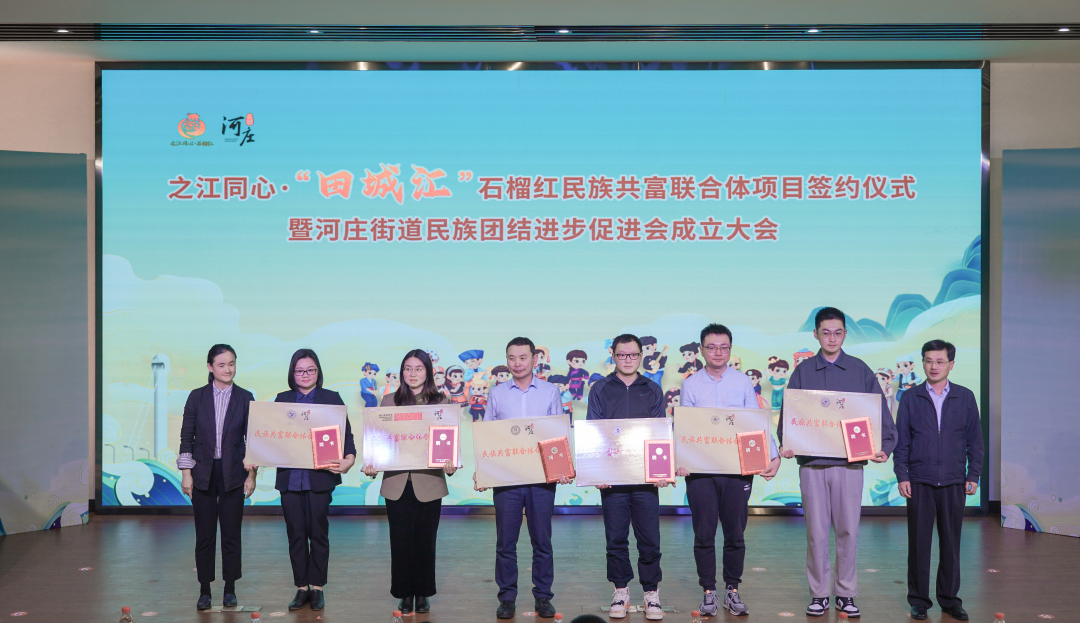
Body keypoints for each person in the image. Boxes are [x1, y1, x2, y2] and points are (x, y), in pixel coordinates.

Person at [777, 307, 897, 618]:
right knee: (816, 533)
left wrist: (885, 447)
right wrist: (787, 442)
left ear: (845, 334)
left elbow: (880, 414)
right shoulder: (803, 371)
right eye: (826, 332)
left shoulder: (860, 370)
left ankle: (846, 593)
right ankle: (819, 594)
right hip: (813, 465)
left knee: (848, 531)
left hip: (849, 466)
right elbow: (789, 416)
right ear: (816, 334)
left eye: (838, 332)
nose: (832, 338)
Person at [675, 324, 781, 617]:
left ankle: (732, 590)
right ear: (701, 351)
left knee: (735, 533)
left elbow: (756, 422)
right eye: (711, 347)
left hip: (737, 470)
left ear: (730, 350)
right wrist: (679, 459)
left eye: (723, 347)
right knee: (704, 533)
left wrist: (773, 456)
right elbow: (686, 428)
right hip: (701, 472)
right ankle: (708, 591)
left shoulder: (743, 382)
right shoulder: (691, 384)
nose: (718, 352)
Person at [475, 337, 568, 620]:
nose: (517, 363)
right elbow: (488, 435)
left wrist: (562, 468)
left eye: (523, 357)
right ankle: (507, 598)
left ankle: (543, 596)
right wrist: (483, 470)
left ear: (534, 359)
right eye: (511, 358)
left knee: (542, 541)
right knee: (506, 543)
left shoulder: (550, 391)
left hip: (541, 479)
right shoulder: (497, 393)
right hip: (507, 480)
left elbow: (557, 434)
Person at [361, 350, 458, 616]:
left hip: (429, 483)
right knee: (400, 541)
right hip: (397, 483)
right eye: (407, 368)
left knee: (426, 541)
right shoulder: (388, 401)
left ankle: (423, 593)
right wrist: (371, 463)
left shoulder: (441, 403)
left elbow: (448, 444)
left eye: (418, 368)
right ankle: (404, 593)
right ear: (402, 372)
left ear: (428, 372)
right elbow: (378, 440)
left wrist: (450, 464)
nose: (412, 373)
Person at [893, 340, 982, 622]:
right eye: (929, 360)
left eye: (940, 361)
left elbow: (975, 440)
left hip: (954, 481)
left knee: (951, 544)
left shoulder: (965, 397)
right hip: (920, 480)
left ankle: (950, 600)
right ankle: (919, 601)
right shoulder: (911, 397)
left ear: (951, 364)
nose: (934, 366)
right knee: (919, 544)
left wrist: (973, 474)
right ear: (923, 363)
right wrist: (902, 475)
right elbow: (901, 442)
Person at [586, 334, 668, 621]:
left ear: (641, 356)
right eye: (622, 355)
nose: (628, 360)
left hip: (645, 481)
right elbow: (594, 432)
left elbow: (660, 433)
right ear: (613, 356)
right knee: (616, 538)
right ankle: (620, 590)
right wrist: (598, 471)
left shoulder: (653, 389)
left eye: (633, 355)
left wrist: (661, 471)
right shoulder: (600, 388)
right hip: (612, 481)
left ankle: (651, 592)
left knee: (650, 539)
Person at [273, 348, 356, 612]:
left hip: (319, 478)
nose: (305, 374)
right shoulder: (282, 400)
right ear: (292, 373)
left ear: (318, 371)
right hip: (290, 479)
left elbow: (346, 435)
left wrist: (350, 458)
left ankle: (317, 587)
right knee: (295, 534)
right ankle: (301, 587)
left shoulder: (331, 398)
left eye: (310, 370)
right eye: (300, 371)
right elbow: (269, 435)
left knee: (318, 533)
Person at [178, 344, 257, 610]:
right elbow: (186, 437)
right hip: (202, 473)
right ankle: (204, 590)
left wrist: (252, 475)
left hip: (234, 473)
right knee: (205, 535)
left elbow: (253, 441)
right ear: (210, 367)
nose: (227, 369)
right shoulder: (197, 397)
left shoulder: (245, 397)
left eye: (231, 364)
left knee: (231, 534)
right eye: (221, 365)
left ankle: (230, 588)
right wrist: (186, 474)